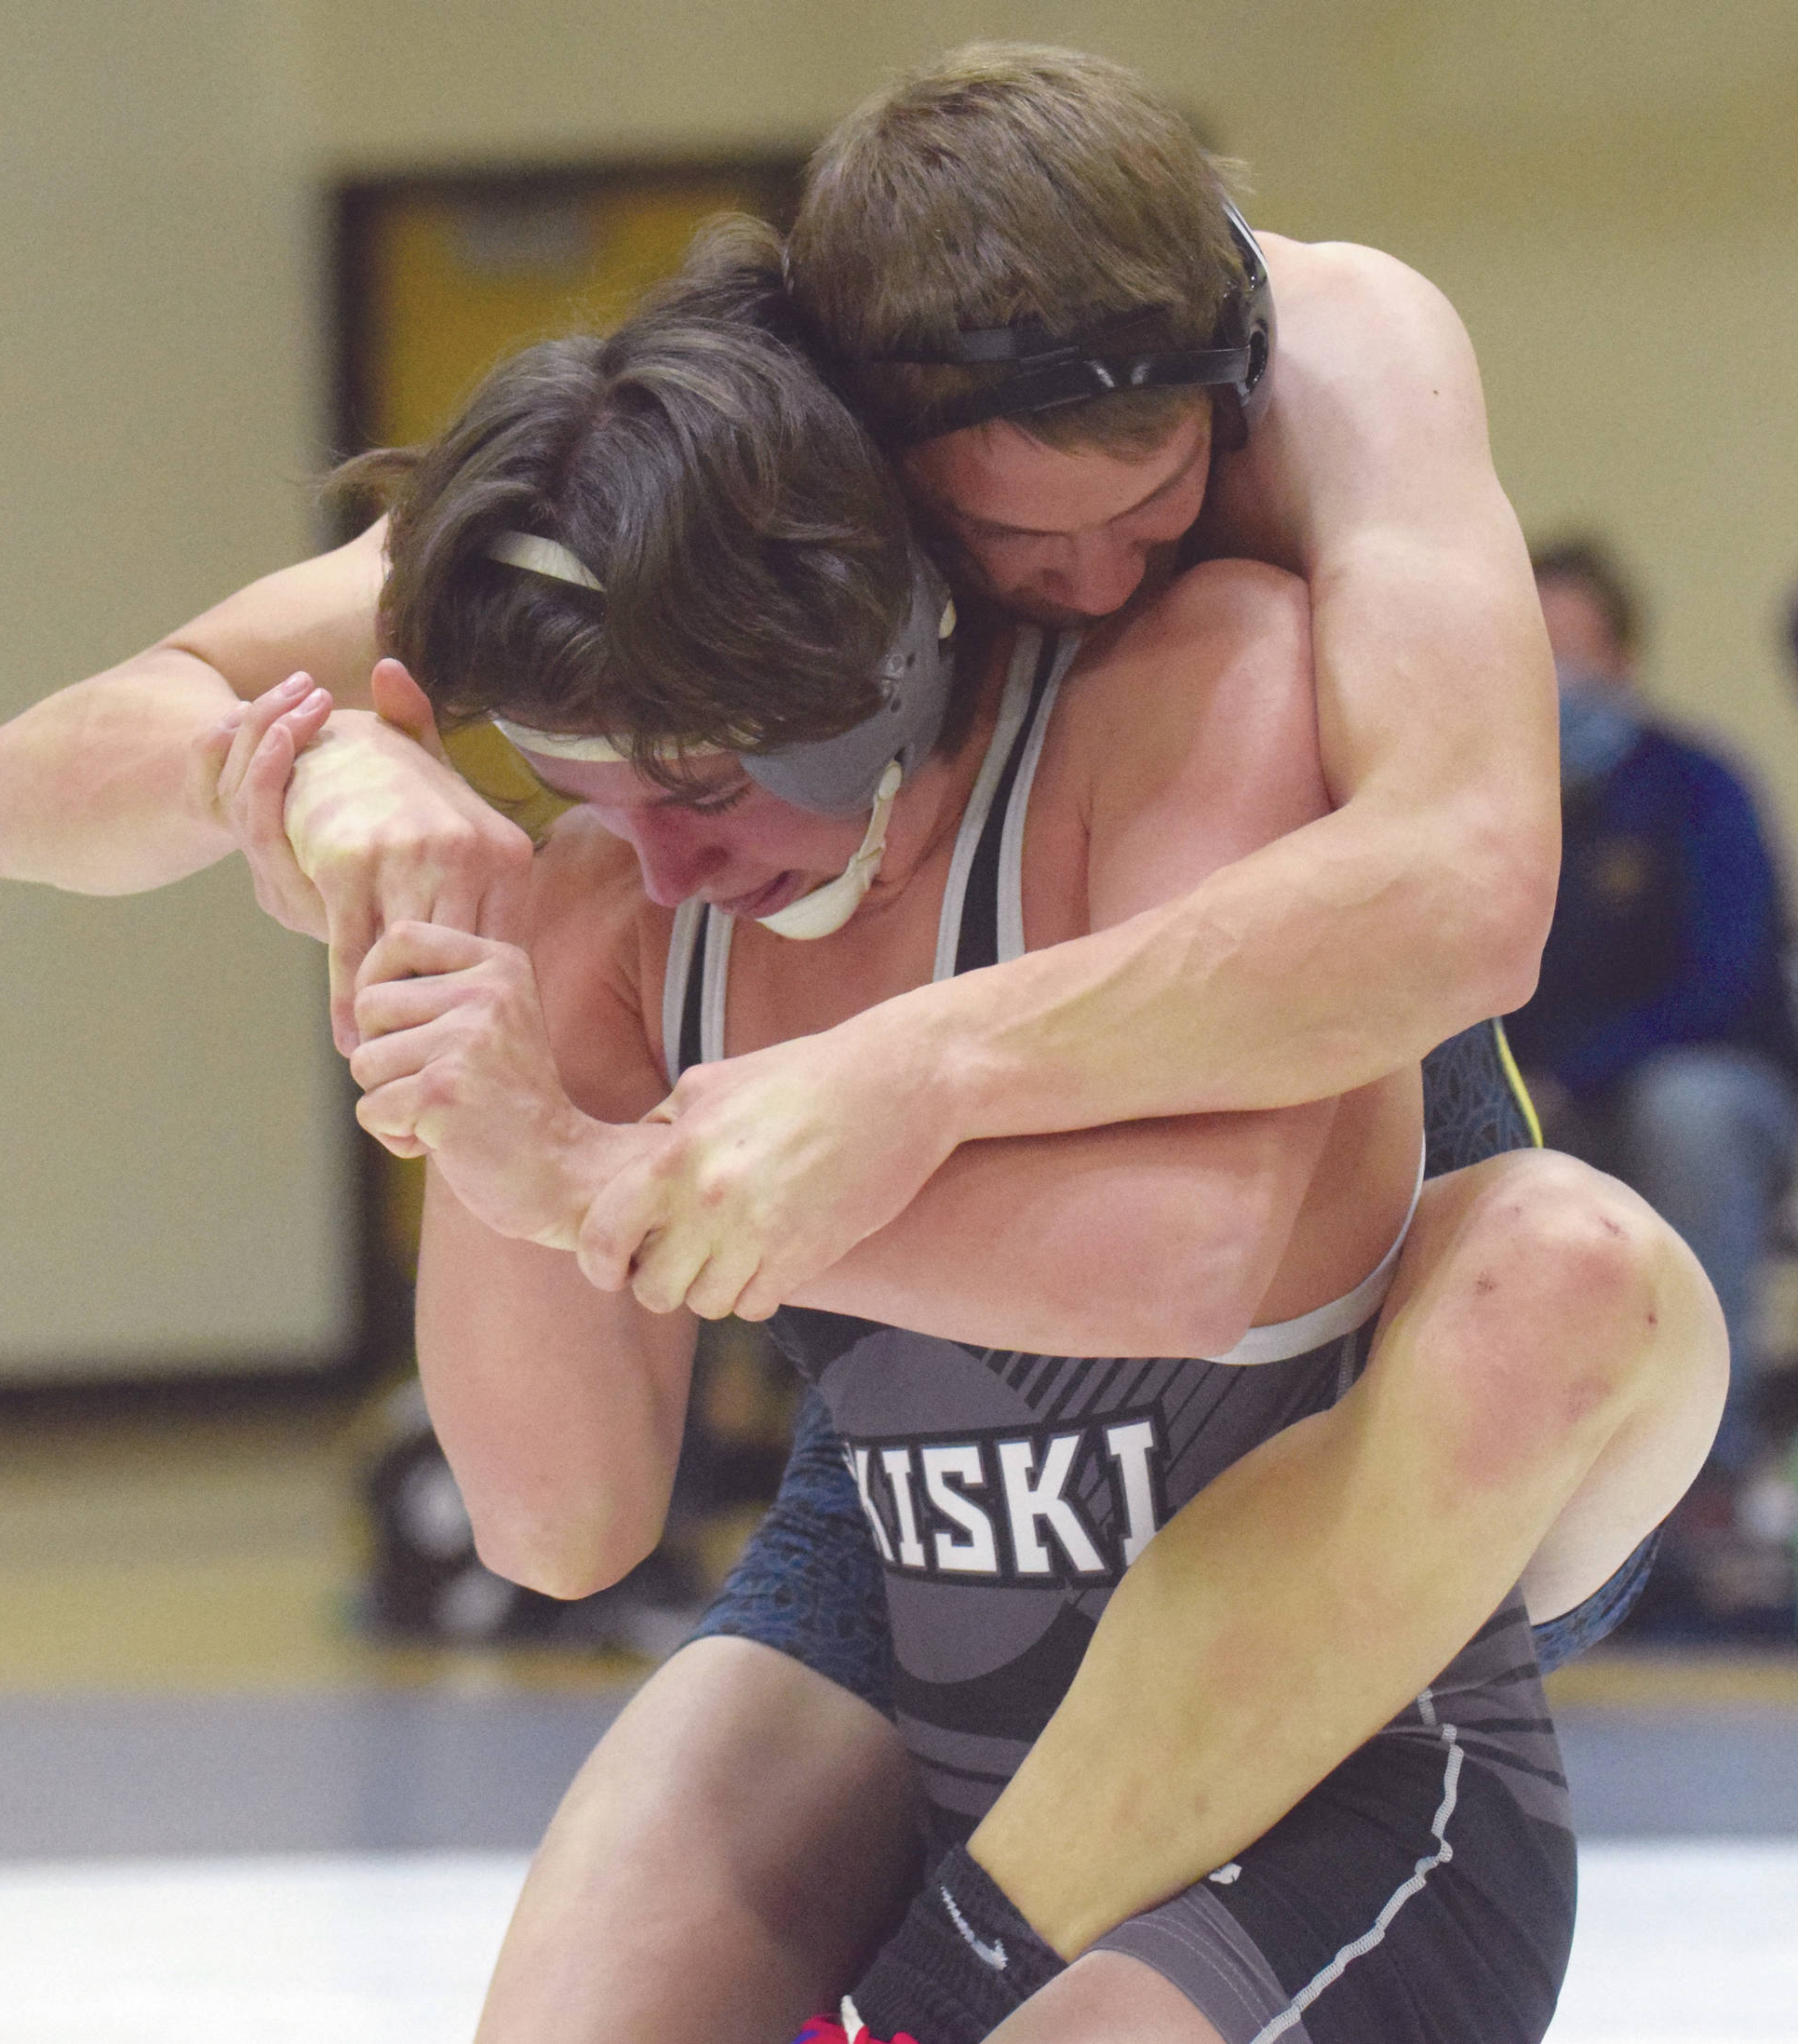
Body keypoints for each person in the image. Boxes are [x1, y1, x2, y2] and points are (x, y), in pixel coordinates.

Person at [0, 45, 1723, 2043]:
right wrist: (297, 790)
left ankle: (924, 1999)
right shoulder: (671, 527)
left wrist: (896, 1080)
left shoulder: (1313, 396)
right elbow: (20, 785)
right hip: (928, 1480)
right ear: (869, 467)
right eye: (1022, 549)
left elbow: (1470, 899)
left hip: (1367, 1415)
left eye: (1164, 496)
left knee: (1548, 1279)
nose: (1105, 577)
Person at [328, 263, 1716, 2044]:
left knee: (1549, 1264)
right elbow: (556, 1520)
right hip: (920, 1610)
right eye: (579, 789)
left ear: (871, 642)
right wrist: (420, 959)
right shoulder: (619, 855)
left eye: (695, 783)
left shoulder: (1198, 677)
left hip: (1339, 1675)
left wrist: (619, 1177)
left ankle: (937, 1991)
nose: (659, 861)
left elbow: (1186, 1259)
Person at [1513, 538, 1798, 1484]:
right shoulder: (1483, 799)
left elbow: (1722, 986)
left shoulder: (1697, 789)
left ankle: (1705, 1477)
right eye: (1527, 648)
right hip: (1536, 1096)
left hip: (1710, 1093)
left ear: (1621, 663)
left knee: (1685, 1109)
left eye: (1571, 652)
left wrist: (1573, 1074)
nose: (1549, 680)